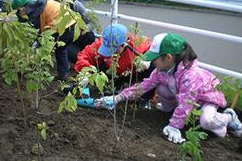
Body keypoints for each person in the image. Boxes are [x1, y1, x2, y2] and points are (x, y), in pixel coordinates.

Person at [95, 32, 242, 143]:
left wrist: (175, 127)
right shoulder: (162, 70)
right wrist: (117, 98)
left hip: (205, 100)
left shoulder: (190, 76)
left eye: (155, 58)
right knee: (161, 88)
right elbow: (144, 86)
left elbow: (186, 103)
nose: (152, 62)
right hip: (185, 98)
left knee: (206, 122)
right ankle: (171, 111)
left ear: (168, 57)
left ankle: (229, 117)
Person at [11, 0, 93, 81]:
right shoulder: (39, 4)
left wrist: (34, 47)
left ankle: (42, 77)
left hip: (62, 27)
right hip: (72, 24)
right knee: (61, 49)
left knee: (43, 51)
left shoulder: (32, 12)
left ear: (21, 9)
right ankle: (63, 75)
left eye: (18, 13)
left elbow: (40, 32)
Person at [75, 23, 155, 108]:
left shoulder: (137, 44)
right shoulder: (103, 42)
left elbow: (154, 49)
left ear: (125, 44)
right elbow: (85, 55)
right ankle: (114, 85)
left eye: (114, 49)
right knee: (98, 61)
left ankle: (145, 98)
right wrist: (85, 72)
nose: (110, 53)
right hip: (113, 70)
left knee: (152, 68)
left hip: (133, 72)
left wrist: (147, 59)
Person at [50, 0, 95, 64]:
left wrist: (86, 28)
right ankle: (79, 60)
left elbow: (92, 22)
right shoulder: (52, 7)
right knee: (76, 56)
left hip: (76, 35)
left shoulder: (77, 5)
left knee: (90, 36)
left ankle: (86, 57)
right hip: (63, 39)